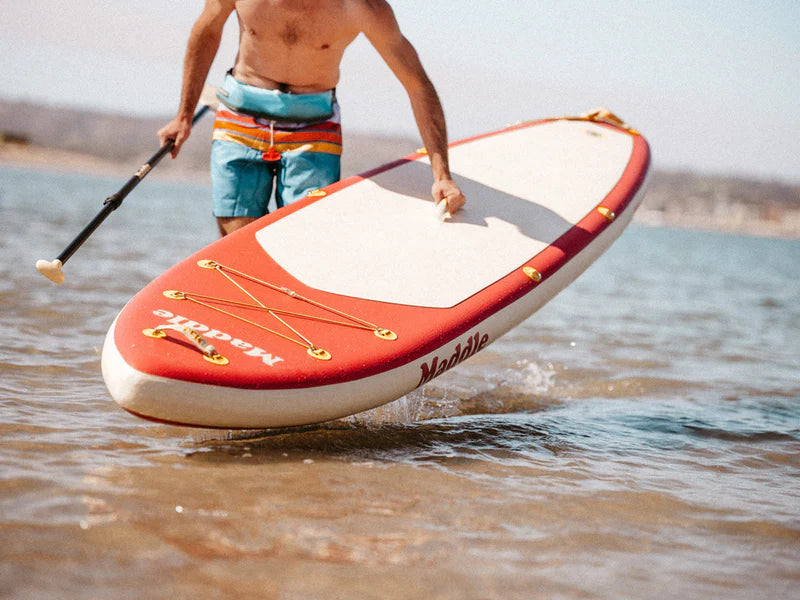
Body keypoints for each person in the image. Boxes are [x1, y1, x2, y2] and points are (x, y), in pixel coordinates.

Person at [158, 0, 466, 236]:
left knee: (304, 236)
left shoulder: (361, 7)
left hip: (315, 126)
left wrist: (442, 176)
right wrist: (183, 116)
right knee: (237, 236)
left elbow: (417, 84)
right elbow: (206, 30)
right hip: (241, 115)